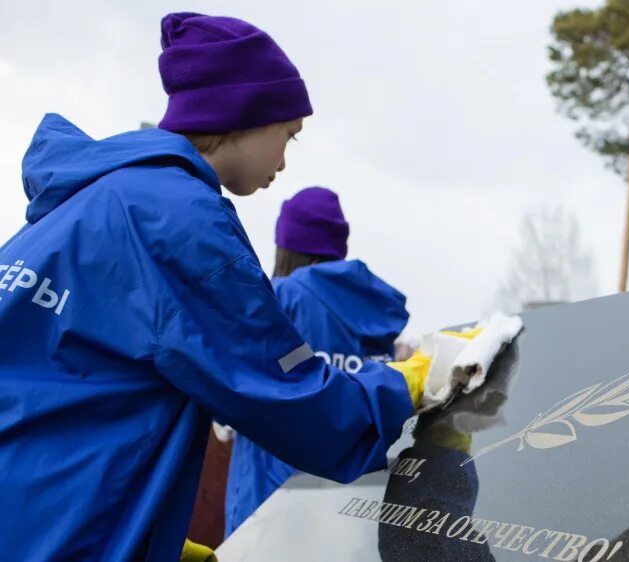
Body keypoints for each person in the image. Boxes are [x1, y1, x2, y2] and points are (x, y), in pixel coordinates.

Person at [0, 13, 444, 561]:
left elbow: (61, 386)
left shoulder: (73, 208)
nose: (285, 160)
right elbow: (278, 389)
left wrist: (152, 537)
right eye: (289, 135)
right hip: (65, 536)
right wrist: (410, 385)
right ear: (247, 116)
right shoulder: (177, 219)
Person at [224, 186, 409, 536]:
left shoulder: (280, 297)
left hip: (271, 503)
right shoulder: (373, 311)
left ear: (287, 247)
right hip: (353, 508)